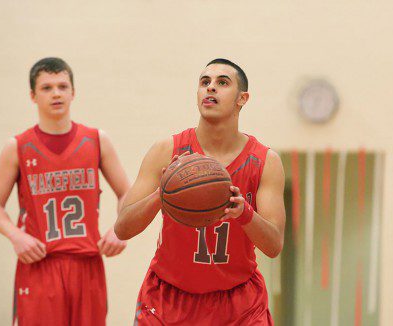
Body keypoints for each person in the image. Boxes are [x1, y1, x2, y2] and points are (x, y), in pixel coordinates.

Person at [115, 58, 286, 325]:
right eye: (204, 82)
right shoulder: (166, 151)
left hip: (238, 303)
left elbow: (274, 245)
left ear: (242, 98)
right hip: (168, 298)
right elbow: (122, 228)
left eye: (222, 83)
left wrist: (245, 213)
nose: (210, 88)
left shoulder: (265, 161)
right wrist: (161, 196)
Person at [0, 57, 130, 326]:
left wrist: (121, 229)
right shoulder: (17, 147)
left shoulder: (97, 140)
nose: (56, 93)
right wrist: (16, 236)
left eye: (63, 86)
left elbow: (127, 194)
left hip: (87, 264)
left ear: (73, 92)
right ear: (32, 95)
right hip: (40, 265)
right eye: (47, 87)